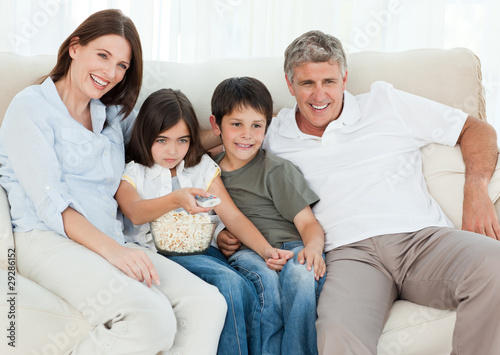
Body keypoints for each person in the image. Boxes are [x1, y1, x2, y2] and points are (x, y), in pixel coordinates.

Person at [215, 30, 500, 355]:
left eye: (330, 82)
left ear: (345, 78)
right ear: (290, 84)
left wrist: (476, 190)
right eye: (307, 83)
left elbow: (474, 128)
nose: (319, 95)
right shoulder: (271, 132)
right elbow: (223, 152)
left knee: (495, 267)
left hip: (419, 239)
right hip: (346, 256)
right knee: (336, 335)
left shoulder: (386, 102)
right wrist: (224, 232)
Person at [0, 9, 227, 355]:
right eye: (103, 56)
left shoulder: (110, 114)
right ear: (75, 47)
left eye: (122, 65)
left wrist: (237, 133)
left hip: (109, 236)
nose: (110, 73)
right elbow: (53, 205)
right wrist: (116, 252)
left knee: (207, 303)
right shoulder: (30, 108)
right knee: (150, 317)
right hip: (46, 238)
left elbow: (167, 138)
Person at [114, 87, 295, 355]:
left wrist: (266, 250)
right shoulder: (135, 172)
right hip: (160, 254)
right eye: (161, 140)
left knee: (248, 284)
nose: (173, 151)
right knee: (229, 283)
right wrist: (177, 199)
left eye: (182, 140)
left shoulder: (201, 167)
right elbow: (135, 211)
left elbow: (231, 215)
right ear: (145, 136)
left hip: (205, 252)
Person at [209, 76, 326, 355]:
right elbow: (216, 220)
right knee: (264, 280)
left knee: (301, 276)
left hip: (292, 248)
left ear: (266, 128)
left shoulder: (276, 170)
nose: (247, 135)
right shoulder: (207, 172)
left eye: (257, 126)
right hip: (249, 252)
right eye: (236, 124)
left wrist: (314, 249)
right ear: (216, 126)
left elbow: (309, 223)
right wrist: (222, 236)